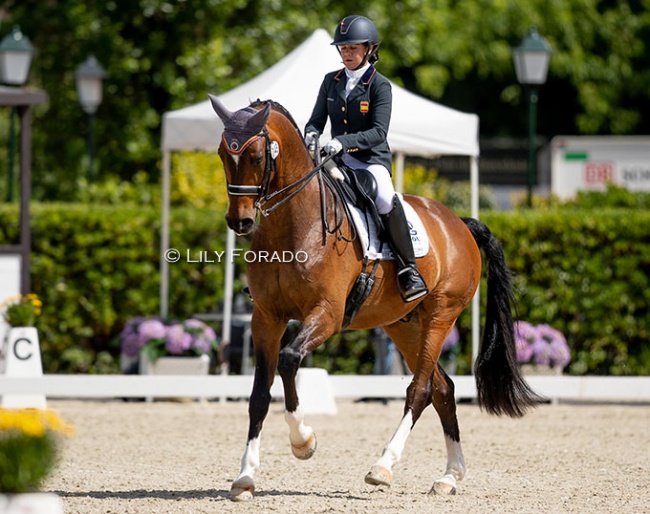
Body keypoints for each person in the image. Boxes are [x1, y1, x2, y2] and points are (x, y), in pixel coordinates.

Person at [304, 15, 428, 302]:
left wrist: (341, 142)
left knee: (385, 198)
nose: (347, 54)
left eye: (353, 48)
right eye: (343, 49)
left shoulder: (379, 86)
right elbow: (316, 121)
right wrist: (311, 135)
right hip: (338, 161)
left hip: (371, 161)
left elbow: (378, 132)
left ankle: (409, 271)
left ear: (369, 49)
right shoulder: (330, 82)